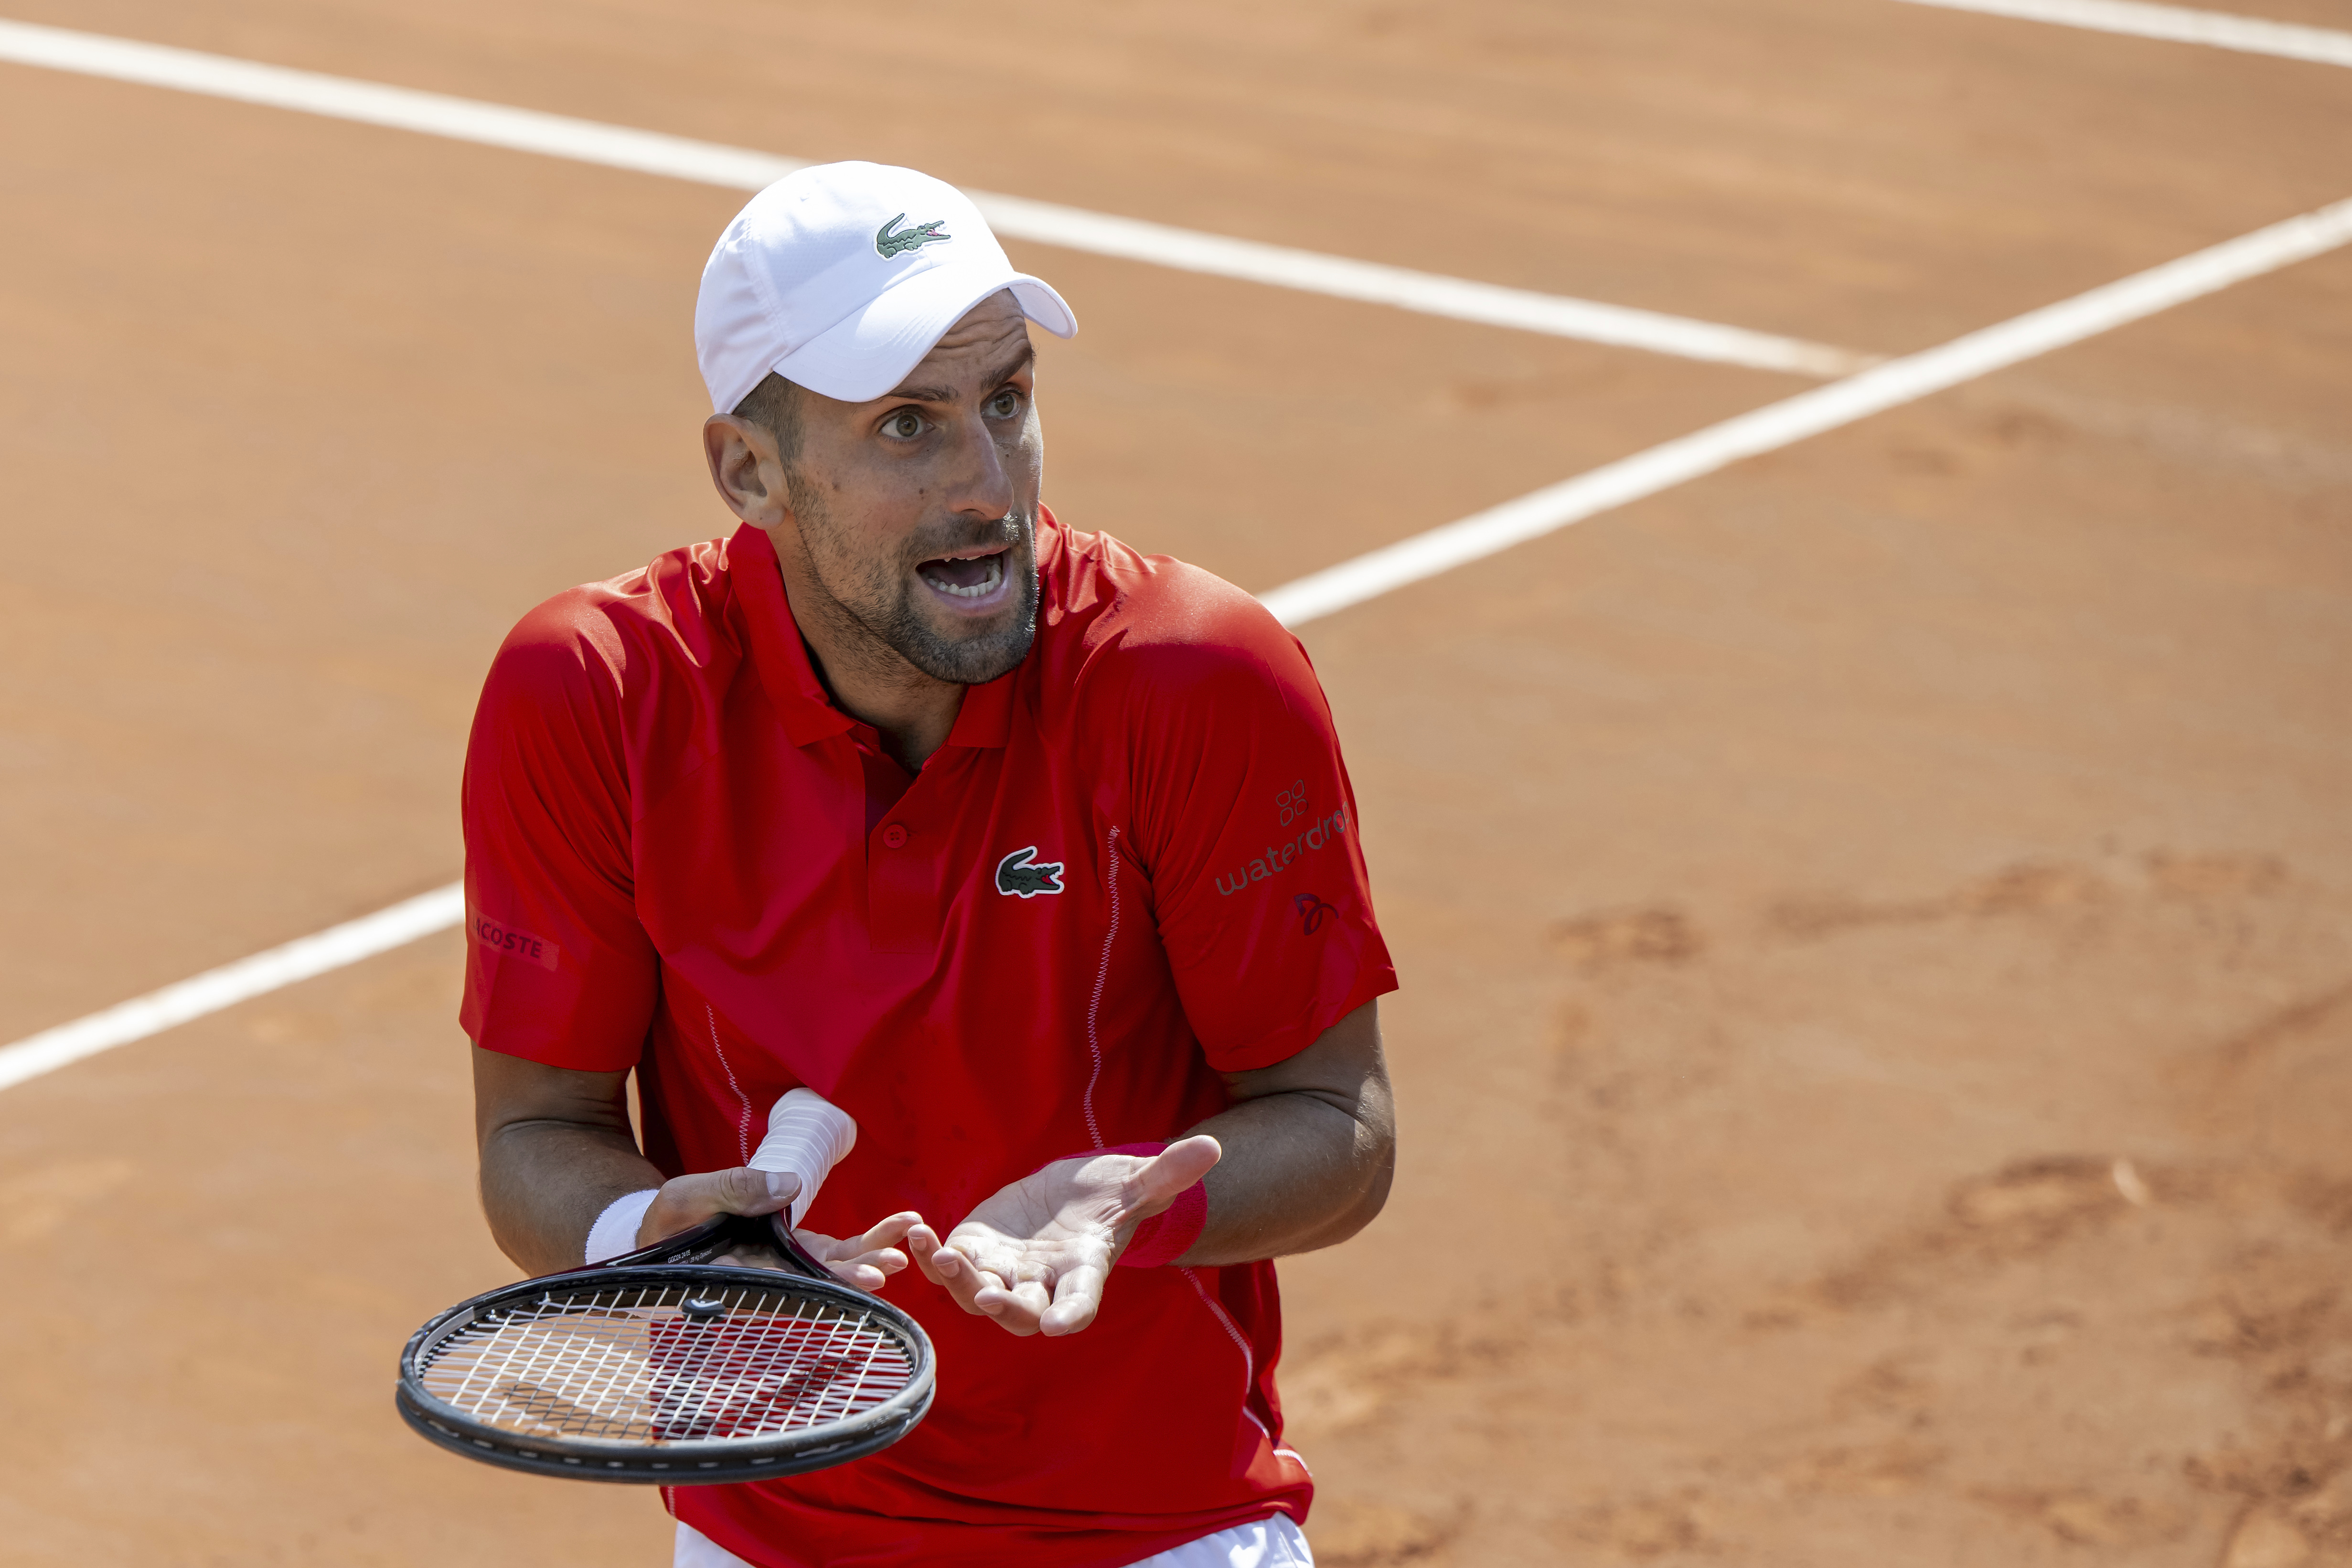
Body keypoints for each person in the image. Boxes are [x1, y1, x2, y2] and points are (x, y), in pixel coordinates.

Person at [460, 161, 1398, 1568]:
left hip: (1157, 1529)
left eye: (1004, 401)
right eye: (907, 424)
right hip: (763, 1526)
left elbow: (1339, 1124)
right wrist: (654, 1229)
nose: (986, 484)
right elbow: (534, 1134)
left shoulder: (1195, 677)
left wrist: (1127, 1207)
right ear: (749, 469)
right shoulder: (594, 691)